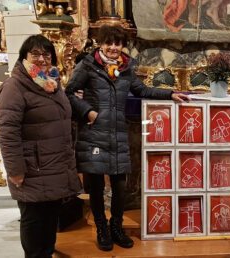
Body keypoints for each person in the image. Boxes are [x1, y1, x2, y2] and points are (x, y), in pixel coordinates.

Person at [65, 25, 189, 251]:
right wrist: (87, 111)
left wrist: (169, 94)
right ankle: (102, 228)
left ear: (123, 46)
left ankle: (116, 227)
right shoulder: (88, 65)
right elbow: (69, 92)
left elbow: (142, 90)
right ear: (101, 44)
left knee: (120, 187)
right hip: (93, 133)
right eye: (109, 43)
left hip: (117, 134)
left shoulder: (127, 68)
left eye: (118, 43)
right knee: (95, 185)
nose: (113, 47)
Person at [0, 35, 81, 257]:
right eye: (35, 54)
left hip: (53, 168)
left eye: (46, 54)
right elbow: (7, 133)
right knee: (34, 225)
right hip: (32, 171)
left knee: (49, 225)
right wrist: (15, 171)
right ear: (24, 56)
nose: (42, 59)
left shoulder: (51, 82)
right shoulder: (15, 86)